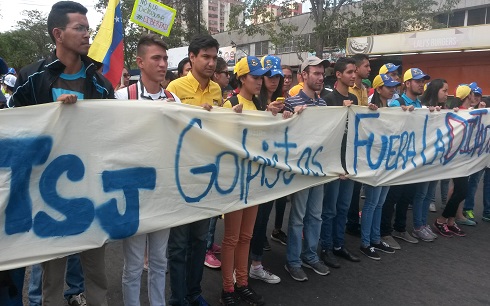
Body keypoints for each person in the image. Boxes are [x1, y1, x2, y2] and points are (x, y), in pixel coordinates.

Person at [11, 1, 114, 305]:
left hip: (92, 192)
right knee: (52, 277)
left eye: (88, 28)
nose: (87, 34)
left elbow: (116, 131)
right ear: (58, 33)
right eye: (79, 28)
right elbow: (11, 126)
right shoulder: (33, 77)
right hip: (47, 194)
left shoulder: (100, 83)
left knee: (96, 272)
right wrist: (50, 115)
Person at [114, 34, 180, 306]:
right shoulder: (121, 97)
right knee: (132, 264)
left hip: (163, 189)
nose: (163, 63)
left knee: (159, 259)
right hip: (133, 191)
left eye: (165, 58)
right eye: (156, 58)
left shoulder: (173, 98)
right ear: (140, 62)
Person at [220, 55, 284, 306]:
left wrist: (280, 115)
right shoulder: (230, 104)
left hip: (255, 181)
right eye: (255, 77)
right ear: (242, 78)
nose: (260, 81)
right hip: (235, 182)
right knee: (231, 238)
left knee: (246, 236)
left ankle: (242, 283)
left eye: (261, 77)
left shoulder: (260, 106)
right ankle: (227, 289)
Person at [166, 34, 222, 306]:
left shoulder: (216, 91)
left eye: (214, 58)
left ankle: (193, 292)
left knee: (200, 240)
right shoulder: (175, 87)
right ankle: (178, 298)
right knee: (178, 246)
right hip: (180, 175)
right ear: (192, 57)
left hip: (207, 174)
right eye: (206, 57)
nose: (211, 63)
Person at [283, 56, 330, 282]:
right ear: (303, 76)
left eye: (322, 74)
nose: (320, 78)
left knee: (316, 215)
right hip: (300, 170)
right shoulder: (291, 101)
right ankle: (293, 261)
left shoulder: (322, 104)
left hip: (319, 169)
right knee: (298, 217)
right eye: (316, 73)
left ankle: (310, 255)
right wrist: (292, 117)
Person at [380, 68, 430, 250]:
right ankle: (384, 231)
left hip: (413, 159)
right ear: (407, 83)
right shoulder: (396, 104)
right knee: (393, 196)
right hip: (397, 160)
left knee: (407, 195)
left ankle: (400, 228)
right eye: (417, 81)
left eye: (422, 81)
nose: (421, 84)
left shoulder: (420, 106)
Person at [247, 55, 284, 285]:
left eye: (276, 75)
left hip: (272, 170)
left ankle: (255, 263)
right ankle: (249, 266)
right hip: (253, 172)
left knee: (262, 219)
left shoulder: (283, 101)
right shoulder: (255, 102)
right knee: (252, 221)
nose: (272, 80)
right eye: (267, 76)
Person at [320, 57, 360, 268]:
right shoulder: (328, 99)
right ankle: (325, 247)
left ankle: (338, 244)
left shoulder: (354, 98)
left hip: (349, 161)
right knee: (330, 208)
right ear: (338, 75)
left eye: (354, 72)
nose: (354, 75)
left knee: (344, 207)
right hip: (333, 164)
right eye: (349, 72)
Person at [433, 84, 485, 237]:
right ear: (467, 96)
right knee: (462, 190)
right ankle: (441, 220)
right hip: (457, 157)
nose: (474, 98)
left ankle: (450, 221)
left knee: (461, 190)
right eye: (472, 95)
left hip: (467, 157)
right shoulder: (458, 112)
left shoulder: (472, 112)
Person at [359, 74, 401, 260]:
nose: (392, 89)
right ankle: (365, 242)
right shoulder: (371, 107)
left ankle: (375, 239)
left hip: (388, 161)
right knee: (371, 203)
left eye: (393, 86)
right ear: (378, 89)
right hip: (374, 163)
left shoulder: (391, 108)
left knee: (380, 203)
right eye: (388, 86)